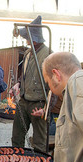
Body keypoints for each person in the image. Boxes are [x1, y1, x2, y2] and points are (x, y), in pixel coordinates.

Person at [9, 15, 50, 153]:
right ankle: (17, 160)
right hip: (24, 101)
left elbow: (55, 86)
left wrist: (47, 108)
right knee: (17, 136)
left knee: (39, 141)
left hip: (39, 103)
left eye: (27, 38)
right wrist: (18, 84)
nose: (26, 41)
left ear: (34, 39)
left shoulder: (49, 55)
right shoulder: (27, 53)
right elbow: (25, 74)